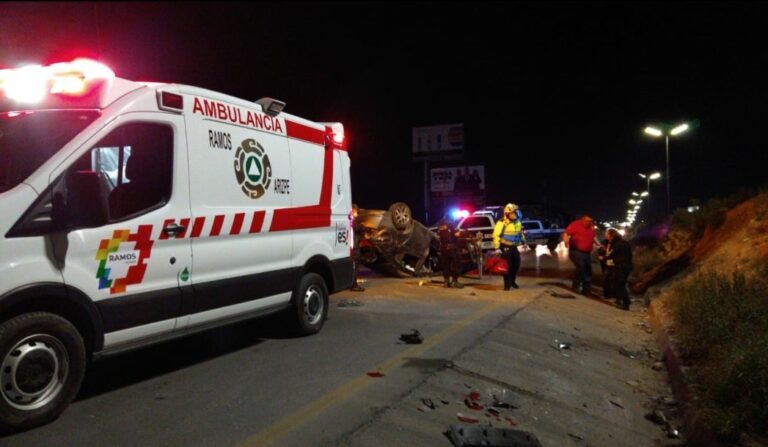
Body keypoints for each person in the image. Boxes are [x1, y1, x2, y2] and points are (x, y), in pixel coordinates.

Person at [492, 203, 526, 290]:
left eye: (516, 212)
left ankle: (512, 281)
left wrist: (523, 240)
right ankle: (507, 285)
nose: (516, 214)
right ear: (508, 213)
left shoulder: (517, 222)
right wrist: (497, 248)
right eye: (514, 212)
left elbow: (520, 233)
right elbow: (496, 235)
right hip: (505, 246)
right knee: (507, 266)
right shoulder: (501, 222)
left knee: (516, 264)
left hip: (514, 247)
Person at [563, 214, 599, 296]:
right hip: (576, 251)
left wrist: (598, 244)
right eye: (587, 221)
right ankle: (576, 287)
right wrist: (566, 242)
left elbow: (593, 237)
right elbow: (566, 233)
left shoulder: (591, 226)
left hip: (586, 252)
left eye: (590, 221)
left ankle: (586, 289)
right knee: (581, 267)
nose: (588, 223)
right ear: (582, 220)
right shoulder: (575, 224)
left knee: (588, 270)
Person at [604, 228, 633, 310]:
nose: (607, 237)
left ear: (611, 236)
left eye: (608, 235)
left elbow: (612, 255)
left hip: (621, 267)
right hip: (627, 266)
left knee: (620, 285)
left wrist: (604, 258)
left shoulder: (617, 244)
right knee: (621, 284)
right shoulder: (625, 243)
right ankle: (622, 301)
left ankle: (626, 303)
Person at [436, 220, 464, 288]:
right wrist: (464, 233)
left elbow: (437, 237)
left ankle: (446, 282)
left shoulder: (440, 228)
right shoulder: (452, 226)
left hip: (443, 249)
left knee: (446, 265)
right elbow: (457, 234)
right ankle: (454, 282)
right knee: (455, 264)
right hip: (452, 248)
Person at [350, 204, 366, 291]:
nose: (356, 212)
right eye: (355, 210)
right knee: (355, 266)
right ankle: (354, 285)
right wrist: (362, 226)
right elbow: (357, 228)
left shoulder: (349, 219)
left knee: (353, 266)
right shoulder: (353, 219)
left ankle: (351, 283)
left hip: (351, 246)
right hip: (354, 247)